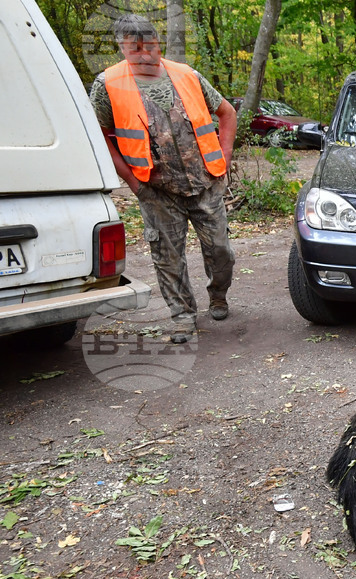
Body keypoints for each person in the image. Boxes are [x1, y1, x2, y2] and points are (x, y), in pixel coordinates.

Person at [90, 14, 237, 344]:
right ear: (123, 47)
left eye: (149, 44)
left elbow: (227, 113)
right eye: (134, 46)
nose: (143, 52)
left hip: (205, 184)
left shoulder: (187, 75)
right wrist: (132, 181)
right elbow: (99, 135)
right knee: (168, 258)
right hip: (155, 189)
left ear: (158, 42)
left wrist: (224, 160)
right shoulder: (107, 84)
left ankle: (218, 294)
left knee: (220, 251)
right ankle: (182, 316)